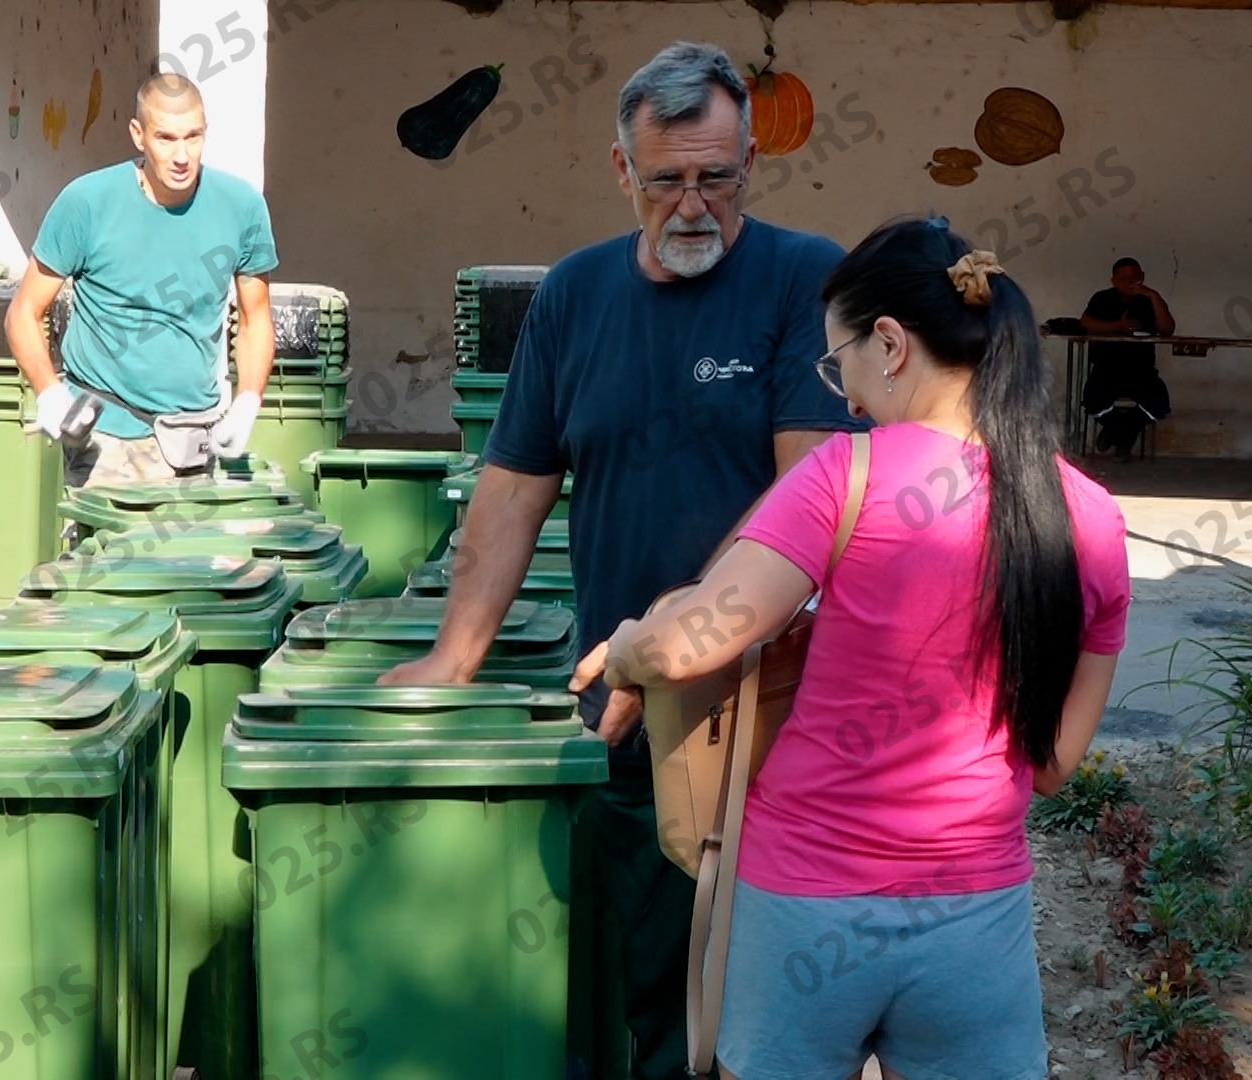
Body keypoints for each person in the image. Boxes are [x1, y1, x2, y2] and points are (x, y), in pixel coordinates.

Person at [377, 40, 866, 1080]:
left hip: (760, 705)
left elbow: (806, 502)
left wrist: (688, 636)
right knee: (647, 966)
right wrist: (452, 657)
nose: (694, 206)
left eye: (718, 180)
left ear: (751, 168)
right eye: (667, 182)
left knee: (745, 991)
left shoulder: (800, 277)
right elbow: (512, 486)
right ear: (621, 173)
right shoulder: (574, 295)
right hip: (625, 697)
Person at [570, 216, 1131, 1079]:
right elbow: (1051, 762)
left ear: (893, 344)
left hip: (805, 908)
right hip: (975, 920)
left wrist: (629, 647)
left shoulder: (848, 474)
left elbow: (694, 642)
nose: (845, 395)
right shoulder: (1089, 516)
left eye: (841, 364)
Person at [6, 72, 278, 487]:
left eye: (193, 137)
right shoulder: (87, 203)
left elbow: (256, 316)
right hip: (105, 440)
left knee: (191, 553)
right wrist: (49, 393)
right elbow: (24, 312)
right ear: (138, 134)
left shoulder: (242, 208)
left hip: (195, 437)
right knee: (105, 553)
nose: (182, 155)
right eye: (166, 138)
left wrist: (247, 402)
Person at [1079, 257, 1174, 462]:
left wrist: (1153, 295)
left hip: (1142, 371)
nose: (1129, 282)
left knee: (1159, 401)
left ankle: (1116, 433)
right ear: (1113, 281)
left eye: (1134, 277)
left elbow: (1167, 330)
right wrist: (1117, 326)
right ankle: (1126, 434)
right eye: (1123, 278)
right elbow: (1085, 324)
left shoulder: (1150, 299)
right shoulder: (1102, 298)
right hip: (1107, 369)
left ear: (1142, 277)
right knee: (1092, 399)